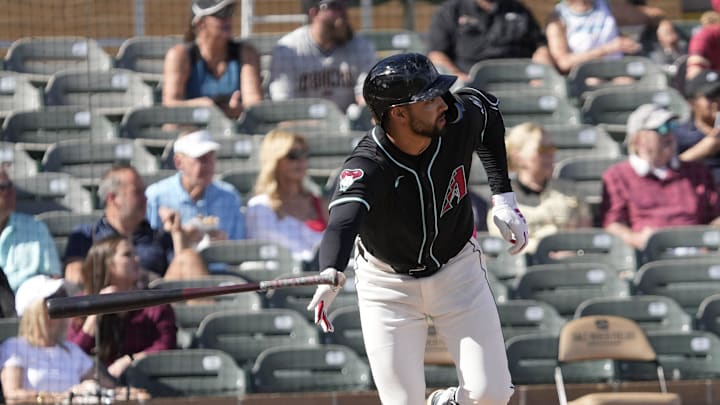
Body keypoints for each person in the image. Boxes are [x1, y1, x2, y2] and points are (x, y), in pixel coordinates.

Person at [305, 53, 528, 405]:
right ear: (399, 113)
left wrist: (503, 197)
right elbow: (343, 221)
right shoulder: (368, 163)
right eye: (428, 99)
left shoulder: (455, 117)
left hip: (458, 271)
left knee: (492, 394)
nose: (442, 102)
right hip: (388, 286)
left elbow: (488, 111)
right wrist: (329, 268)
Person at [64, 164, 208, 288]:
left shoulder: (158, 236)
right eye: (137, 193)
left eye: (144, 192)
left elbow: (182, 275)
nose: (145, 199)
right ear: (113, 198)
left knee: (189, 257)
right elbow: (75, 276)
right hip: (111, 307)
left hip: (156, 307)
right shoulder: (88, 235)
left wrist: (177, 234)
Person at [600, 104, 720, 250]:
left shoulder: (697, 171)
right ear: (638, 139)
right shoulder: (617, 176)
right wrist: (635, 239)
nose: (668, 134)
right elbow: (613, 225)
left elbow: (716, 216)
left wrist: (709, 240)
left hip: (696, 254)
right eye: (661, 129)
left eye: (671, 126)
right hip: (649, 256)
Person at [67, 236, 177, 380]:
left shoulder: (154, 304)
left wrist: (130, 360)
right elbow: (70, 356)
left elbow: (166, 346)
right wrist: (95, 315)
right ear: (106, 264)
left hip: (145, 384)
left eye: (135, 254)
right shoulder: (80, 304)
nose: (137, 259)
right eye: (127, 255)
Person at [0, 275, 114, 404]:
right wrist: (65, 397)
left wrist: (134, 394)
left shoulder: (71, 350)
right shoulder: (15, 347)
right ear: (35, 309)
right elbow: (12, 396)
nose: (62, 304)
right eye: (55, 298)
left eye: (63, 296)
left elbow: (108, 387)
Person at [486, 123, 592, 253]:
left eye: (551, 149)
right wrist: (545, 250)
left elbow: (585, 235)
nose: (550, 155)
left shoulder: (572, 192)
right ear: (518, 158)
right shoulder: (502, 201)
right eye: (542, 150)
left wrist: (570, 251)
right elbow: (505, 243)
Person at [267, 0, 376, 113]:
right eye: (335, 6)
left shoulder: (361, 46)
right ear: (314, 13)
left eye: (344, 5)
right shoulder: (288, 50)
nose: (344, 12)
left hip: (348, 126)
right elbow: (283, 105)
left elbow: (365, 100)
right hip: (301, 124)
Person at [162, 0, 263, 119]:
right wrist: (201, 106)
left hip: (236, 128)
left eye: (230, 13)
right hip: (191, 130)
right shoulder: (179, 55)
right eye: (221, 14)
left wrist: (239, 110)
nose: (228, 19)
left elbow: (254, 102)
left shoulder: (247, 53)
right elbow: (169, 104)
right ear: (200, 23)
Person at [145, 130, 245, 242]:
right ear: (179, 162)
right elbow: (150, 249)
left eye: (211, 156)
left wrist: (224, 246)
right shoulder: (156, 197)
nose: (208, 164)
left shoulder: (229, 197)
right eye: (201, 158)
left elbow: (239, 248)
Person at [245, 130, 328, 264]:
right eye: (293, 155)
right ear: (275, 160)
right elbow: (261, 258)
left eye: (304, 154)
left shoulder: (320, 204)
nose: (301, 161)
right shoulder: (260, 207)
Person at [427, 0, 552, 84]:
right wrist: (458, 77)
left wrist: (541, 74)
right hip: (471, 84)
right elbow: (436, 54)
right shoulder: (451, 10)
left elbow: (541, 48)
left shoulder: (519, 10)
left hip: (518, 82)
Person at [0, 169, 61, 292]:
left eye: (11, 185)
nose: (11, 191)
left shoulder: (37, 228)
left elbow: (54, 279)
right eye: (2, 187)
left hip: (29, 306)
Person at [545, 0, 641, 75]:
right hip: (584, 74)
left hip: (618, 69)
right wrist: (607, 49)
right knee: (593, 82)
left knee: (626, 81)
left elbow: (649, 15)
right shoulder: (557, 18)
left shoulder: (608, 6)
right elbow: (564, 62)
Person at [675, 69, 720, 183]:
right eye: (710, 96)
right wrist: (700, 151)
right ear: (692, 102)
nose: (718, 100)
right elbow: (663, 170)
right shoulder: (679, 133)